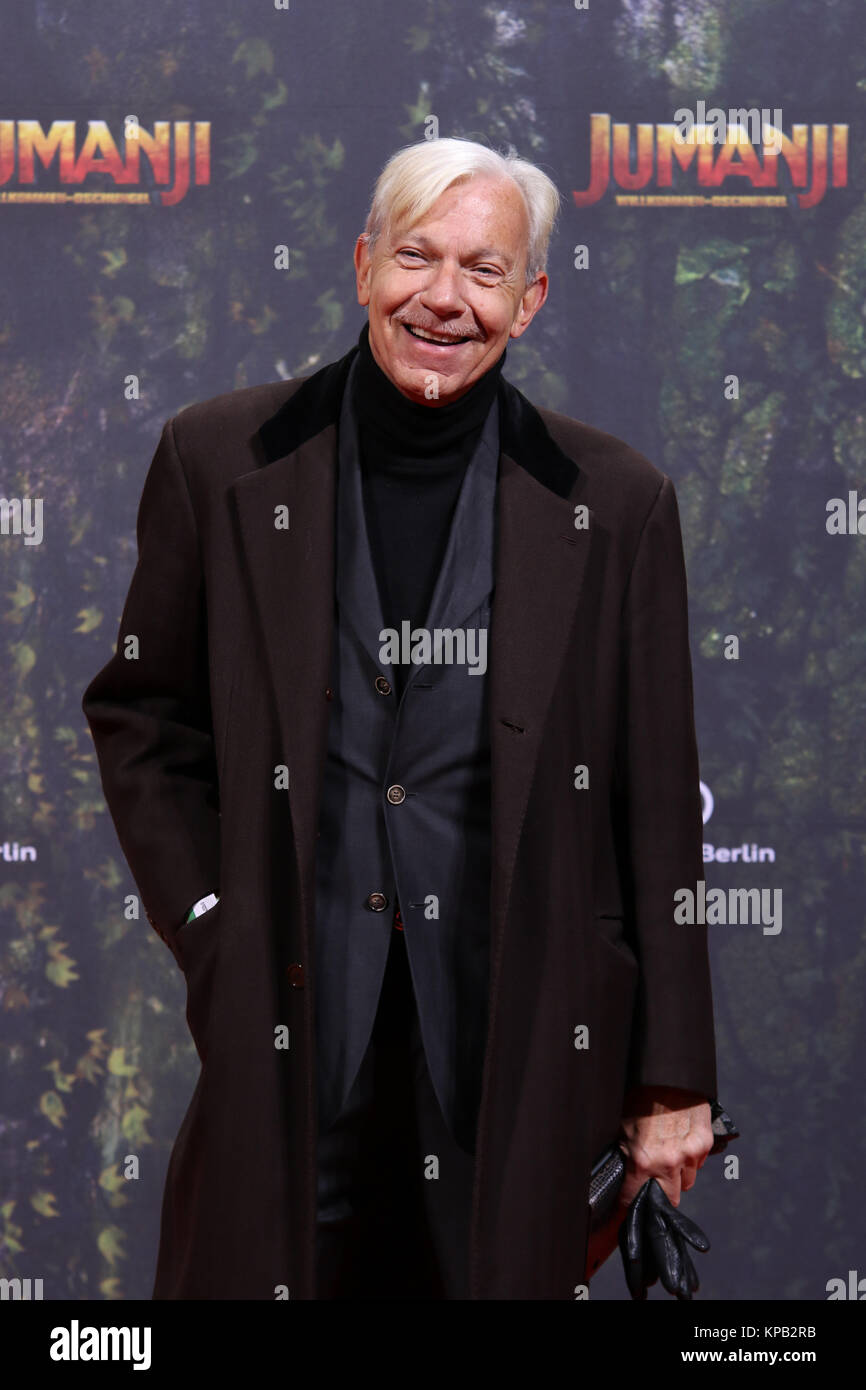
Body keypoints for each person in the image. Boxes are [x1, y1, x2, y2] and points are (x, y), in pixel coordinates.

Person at [82, 136, 717, 1301]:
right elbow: (142, 714)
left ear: (527, 302)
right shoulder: (215, 458)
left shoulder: (617, 503)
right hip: (286, 1017)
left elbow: (658, 799)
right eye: (416, 257)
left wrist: (670, 1074)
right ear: (362, 265)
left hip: (514, 1039)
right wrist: (210, 918)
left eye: (483, 271)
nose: (443, 298)